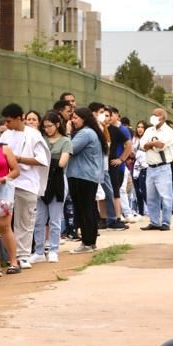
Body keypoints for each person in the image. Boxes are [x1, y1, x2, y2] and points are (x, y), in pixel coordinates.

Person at [0, 103, 50, 269]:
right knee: (6, 221)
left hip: (28, 182)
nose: (6, 125)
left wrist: (18, 159)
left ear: (19, 118)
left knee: (25, 220)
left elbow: (42, 160)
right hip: (8, 182)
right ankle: (11, 255)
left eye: (9, 121)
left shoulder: (34, 135)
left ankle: (24, 255)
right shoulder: (5, 136)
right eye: (5, 122)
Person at [33, 112, 71, 262]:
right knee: (39, 219)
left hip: (57, 180)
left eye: (49, 126)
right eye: (45, 126)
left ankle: (54, 249)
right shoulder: (41, 140)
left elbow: (62, 162)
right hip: (41, 180)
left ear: (57, 125)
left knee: (55, 219)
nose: (47, 129)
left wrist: (44, 161)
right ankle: (39, 251)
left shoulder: (65, 141)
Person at [66, 108, 106, 253]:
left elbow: (70, 148)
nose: (73, 121)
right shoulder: (90, 132)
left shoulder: (86, 133)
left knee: (83, 209)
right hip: (87, 176)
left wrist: (68, 132)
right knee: (87, 208)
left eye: (76, 118)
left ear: (84, 118)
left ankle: (87, 242)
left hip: (82, 176)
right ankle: (90, 241)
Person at [0, 132, 20, 274]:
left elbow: (16, 170)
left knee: (4, 225)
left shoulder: (4, 149)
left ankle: (13, 260)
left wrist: (4, 178)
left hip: (4, 189)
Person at [140, 108, 173, 231]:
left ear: (163, 118)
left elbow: (161, 146)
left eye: (156, 115)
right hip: (150, 167)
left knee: (165, 196)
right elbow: (142, 145)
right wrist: (152, 144)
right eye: (152, 114)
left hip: (163, 167)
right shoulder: (149, 130)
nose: (153, 117)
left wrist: (150, 144)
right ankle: (154, 221)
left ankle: (165, 222)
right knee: (151, 197)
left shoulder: (168, 131)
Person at [131, 120, 148, 219]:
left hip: (144, 166)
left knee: (144, 190)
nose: (140, 129)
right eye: (138, 127)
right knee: (137, 190)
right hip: (135, 166)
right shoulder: (134, 139)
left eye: (142, 127)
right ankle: (140, 211)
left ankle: (151, 209)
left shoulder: (147, 139)